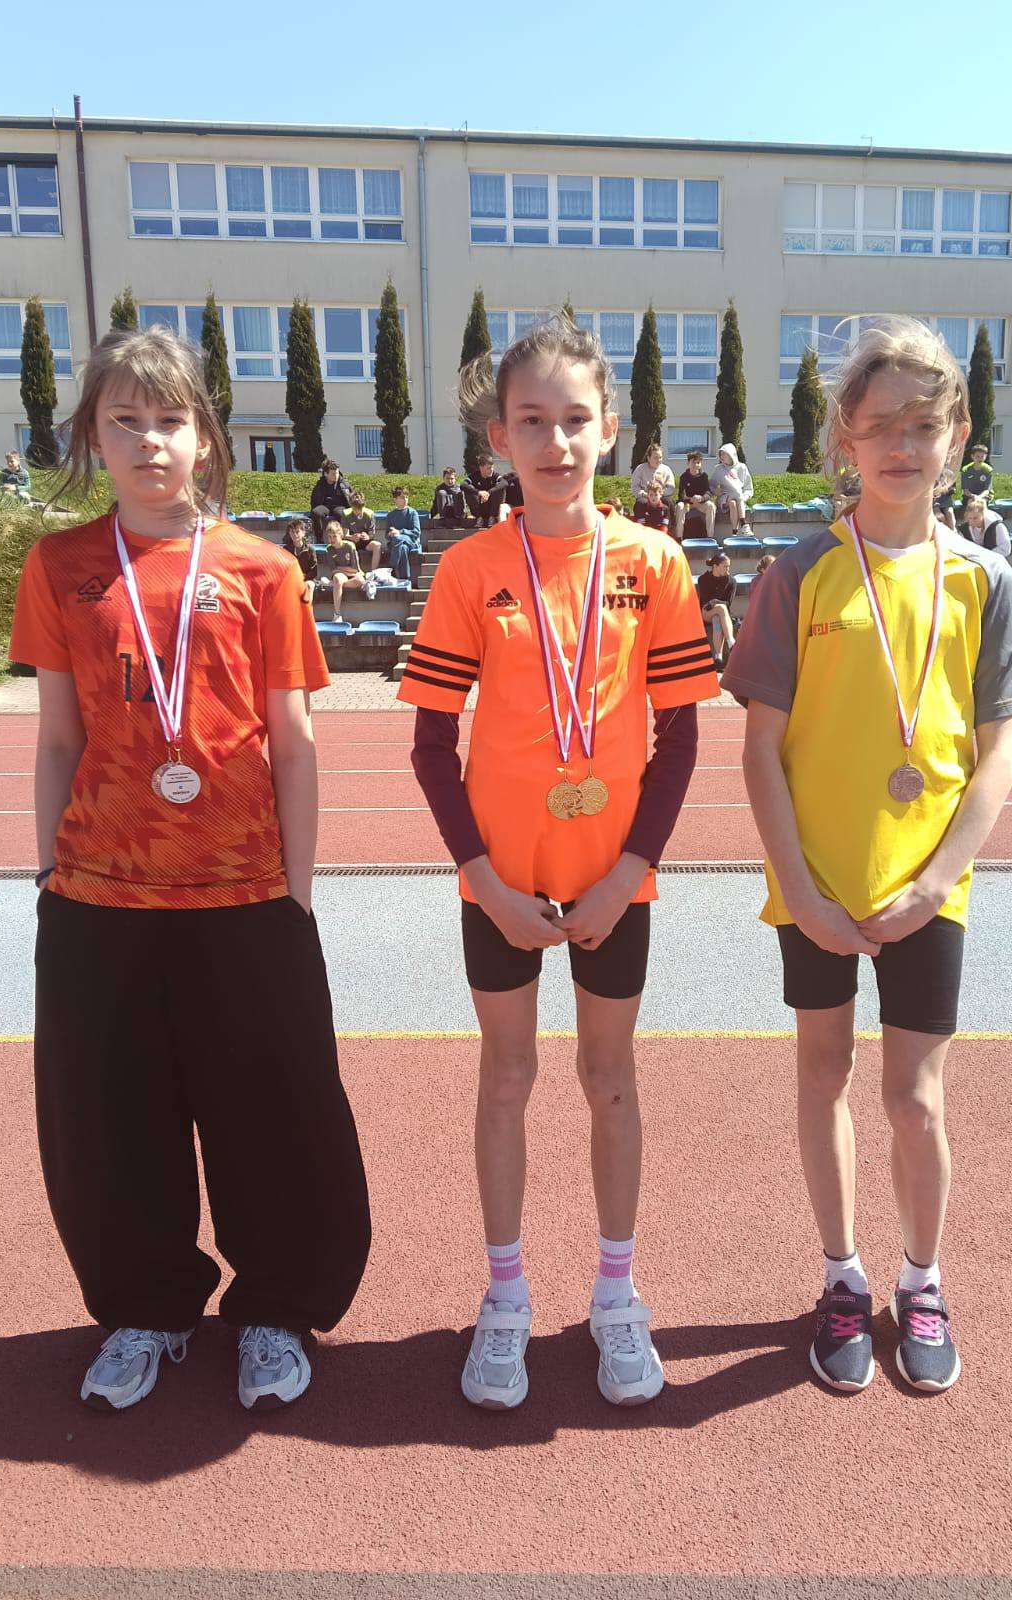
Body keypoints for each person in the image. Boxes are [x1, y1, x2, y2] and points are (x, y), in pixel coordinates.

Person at [7, 324, 371, 1413]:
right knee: (110, 1121)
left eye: (170, 420)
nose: (149, 441)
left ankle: (277, 1309)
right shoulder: (60, 566)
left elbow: (294, 744)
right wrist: (50, 877)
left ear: (205, 438)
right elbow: (58, 739)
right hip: (98, 898)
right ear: (92, 436)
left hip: (246, 895)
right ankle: (146, 1308)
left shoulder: (263, 570)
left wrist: (296, 896)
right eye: (124, 420)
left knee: (275, 1115)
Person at [398, 314, 718, 1412]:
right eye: (531, 421)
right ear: (499, 436)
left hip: (613, 881)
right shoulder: (471, 567)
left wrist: (629, 872)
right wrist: (483, 880)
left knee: (609, 1079)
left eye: (576, 419)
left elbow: (682, 739)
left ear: (611, 428)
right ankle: (505, 1297)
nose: (556, 441)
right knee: (506, 1079)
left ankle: (617, 1294)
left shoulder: (654, 562)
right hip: (501, 884)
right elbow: (431, 746)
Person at [722, 316, 1012, 1396]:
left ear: (958, 436)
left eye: (924, 423)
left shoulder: (986, 581)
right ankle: (841, 1277)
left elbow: (997, 756)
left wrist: (939, 878)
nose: (903, 444)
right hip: (815, 886)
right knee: (824, 1074)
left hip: (929, 889)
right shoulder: (800, 573)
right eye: (880, 425)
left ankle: (923, 1277)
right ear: (844, 440)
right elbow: (760, 751)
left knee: (916, 1099)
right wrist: (802, 890)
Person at [320, 515, 369, 620]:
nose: (332, 539)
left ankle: (333, 585)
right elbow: (333, 570)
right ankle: (337, 614)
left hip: (353, 575)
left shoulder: (350, 546)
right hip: (341, 575)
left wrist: (340, 568)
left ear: (341, 535)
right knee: (338, 579)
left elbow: (355, 569)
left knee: (360, 581)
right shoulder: (329, 549)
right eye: (329, 537)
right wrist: (341, 570)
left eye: (334, 536)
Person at [697, 551, 736, 666]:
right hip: (706, 611)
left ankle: (718, 656)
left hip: (721, 614)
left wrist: (715, 602)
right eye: (725, 566)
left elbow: (728, 603)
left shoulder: (731, 581)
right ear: (715, 566)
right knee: (720, 609)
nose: (728, 569)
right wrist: (715, 603)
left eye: (729, 566)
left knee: (717, 618)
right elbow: (705, 602)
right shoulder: (703, 579)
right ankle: (731, 642)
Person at [673, 449, 716, 541]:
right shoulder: (684, 477)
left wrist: (702, 498)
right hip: (688, 504)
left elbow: (708, 492)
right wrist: (690, 499)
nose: (695, 465)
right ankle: (679, 537)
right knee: (680, 506)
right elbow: (681, 495)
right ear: (688, 463)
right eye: (693, 462)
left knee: (711, 506)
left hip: (700, 503)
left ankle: (710, 537)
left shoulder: (704, 476)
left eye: (698, 463)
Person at [709, 444, 753, 532]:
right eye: (720, 454)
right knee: (734, 498)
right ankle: (744, 524)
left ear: (731, 455)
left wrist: (743, 498)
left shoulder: (742, 467)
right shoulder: (719, 469)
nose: (721, 456)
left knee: (734, 501)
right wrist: (716, 491)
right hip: (725, 497)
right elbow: (711, 485)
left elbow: (748, 489)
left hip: (739, 498)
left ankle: (734, 532)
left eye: (724, 454)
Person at [385, 486, 422, 584]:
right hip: (398, 544)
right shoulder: (391, 515)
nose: (405, 499)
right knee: (403, 548)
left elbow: (416, 532)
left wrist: (400, 532)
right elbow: (386, 536)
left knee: (398, 538)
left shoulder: (412, 513)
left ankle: (391, 568)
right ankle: (405, 578)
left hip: (411, 541)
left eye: (406, 497)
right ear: (395, 499)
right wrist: (391, 534)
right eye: (402, 497)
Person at [310, 458, 353, 541]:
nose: (336, 475)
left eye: (337, 473)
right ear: (326, 474)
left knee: (342, 514)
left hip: (339, 505)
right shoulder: (320, 484)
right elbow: (314, 500)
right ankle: (319, 538)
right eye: (333, 474)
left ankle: (343, 538)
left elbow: (350, 498)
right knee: (316, 513)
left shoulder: (343, 483)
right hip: (324, 505)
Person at [463, 453, 506, 528]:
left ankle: (492, 518)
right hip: (479, 507)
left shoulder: (495, 475)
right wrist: (478, 492)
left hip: (492, 508)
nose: (491, 470)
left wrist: (488, 492)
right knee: (469, 489)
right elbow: (463, 485)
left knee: (500, 488)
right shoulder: (474, 476)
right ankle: (479, 518)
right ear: (481, 468)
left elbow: (504, 483)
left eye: (492, 467)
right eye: (489, 468)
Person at [282, 516, 319, 600]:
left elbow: (314, 571)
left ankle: (308, 608)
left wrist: (303, 577)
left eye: (297, 532)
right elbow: (284, 568)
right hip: (292, 578)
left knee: (309, 586)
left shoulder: (310, 550)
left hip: (306, 578)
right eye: (292, 532)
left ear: (303, 533)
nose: (295, 535)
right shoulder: (286, 550)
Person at [629, 444, 675, 510]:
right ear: (648, 458)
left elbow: (671, 487)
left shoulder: (666, 469)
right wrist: (645, 494)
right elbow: (635, 487)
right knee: (640, 503)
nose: (658, 460)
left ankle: (669, 517)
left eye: (660, 457)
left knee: (669, 502)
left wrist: (659, 494)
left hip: (661, 496)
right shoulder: (640, 469)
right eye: (655, 458)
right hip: (645, 496)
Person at [346, 491, 382, 572]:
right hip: (352, 541)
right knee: (349, 546)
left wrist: (367, 536)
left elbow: (372, 534)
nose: (358, 511)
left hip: (365, 542)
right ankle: (356, 572)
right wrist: (352, 537)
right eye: (355, 509)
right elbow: (345, 534)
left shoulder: (369, 513)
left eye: (360, 508)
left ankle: (373, 573)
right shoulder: (346, 514)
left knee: (377, 545)